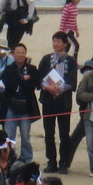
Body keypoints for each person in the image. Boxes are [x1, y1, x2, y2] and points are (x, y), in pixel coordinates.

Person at [37, 32, 77, 170]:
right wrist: (48, 87)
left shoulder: (70, 61)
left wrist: (59, 89)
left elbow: (72, 81)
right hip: (48, 100)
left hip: (63, 101)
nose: (56, 44)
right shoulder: (46, 59)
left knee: (64, 133)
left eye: (59, 41)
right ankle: (51, 161)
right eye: (54, 41)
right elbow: (39, 78)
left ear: (65, 44)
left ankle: (64, 162)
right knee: (49, 132)